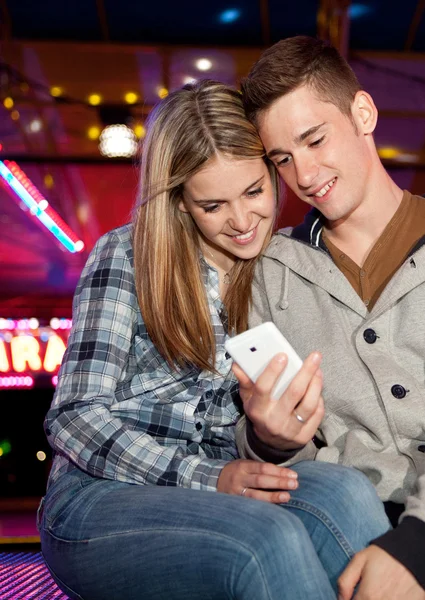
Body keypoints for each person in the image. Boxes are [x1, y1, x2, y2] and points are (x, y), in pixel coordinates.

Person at [37, 80, 389, 600]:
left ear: (273, 172)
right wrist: (207, 476)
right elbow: (72, 417)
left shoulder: (285, 268)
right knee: (264, 539)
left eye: (254, 191)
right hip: (99, 495)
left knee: (348, 492)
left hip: (230, 483)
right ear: (180, 202)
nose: (244, 221)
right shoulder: (128, 256)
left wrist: (278, 437)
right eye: (213, 205)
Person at [233, 36, 425, 600]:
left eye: (315, 140)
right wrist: (269, 439)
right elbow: (277, 458)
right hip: (337, 528)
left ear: (362, 113)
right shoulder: (268, 274)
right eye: (282, 159)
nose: (305, 174)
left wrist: (415, 548)